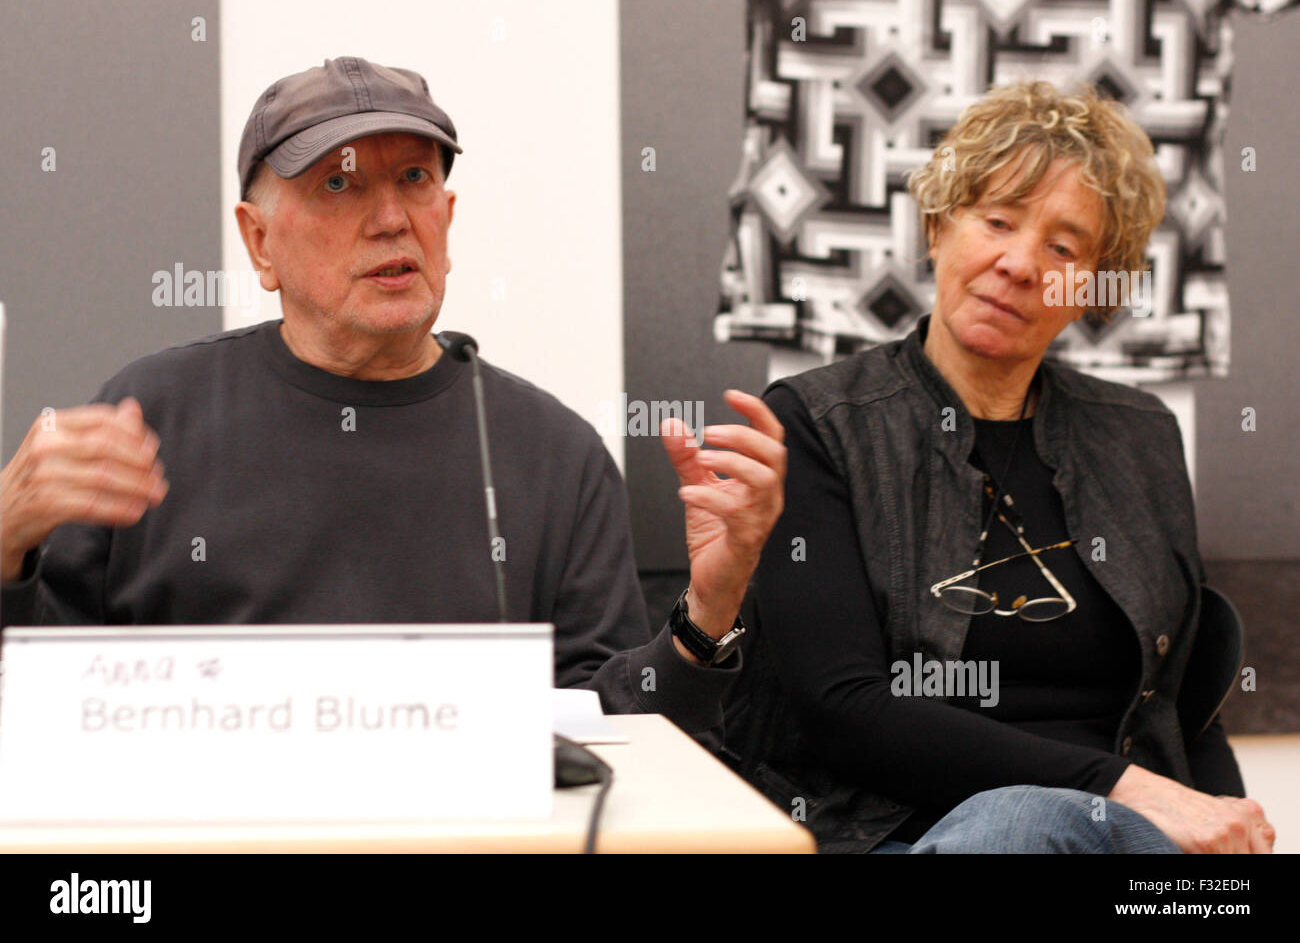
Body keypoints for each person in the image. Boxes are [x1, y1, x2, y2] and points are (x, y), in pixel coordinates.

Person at [0, 57, 787, 745]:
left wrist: (706, 612)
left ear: (447, 217)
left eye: (414, 178)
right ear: (258, 241)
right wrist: (3, 552)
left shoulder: (555, 453)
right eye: (338, 184)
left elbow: (616, 741)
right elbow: (37, 709)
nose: (388, 219)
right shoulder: (149, 415)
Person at [722, 79, 1276, 852]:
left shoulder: (1139, 434)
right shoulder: (819, 424)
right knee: (1024, 823)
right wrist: (1113, 785)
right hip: (897, 831)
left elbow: (1180, 702)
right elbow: (843, 706)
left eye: (1063, 246)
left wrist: (1227, 842)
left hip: (1126, 842)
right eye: (997, 220)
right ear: (941, 225)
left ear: (1091, 284)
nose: (1020, 263)